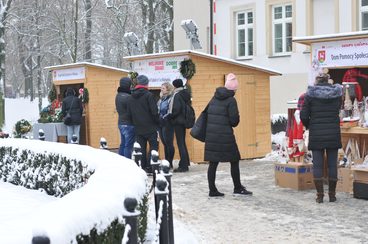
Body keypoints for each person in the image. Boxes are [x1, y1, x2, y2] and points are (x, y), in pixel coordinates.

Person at [204, 73, 252, 197]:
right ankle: (237, 187)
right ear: (233, 89)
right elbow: (234, 121)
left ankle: (212, 190)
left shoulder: (214, 98)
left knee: (213, 163)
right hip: (225, 136)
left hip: (212, 136)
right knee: (234, 161)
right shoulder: (231, 100)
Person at [300, 73, 343, 203]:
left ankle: (319, 196)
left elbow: (303, 115)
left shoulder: (310, 95)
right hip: (333, 133)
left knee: (318, 165)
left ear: (317, 81)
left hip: (317, 133)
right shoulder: (337, 94)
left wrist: (309, 125)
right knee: (332, 165)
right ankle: (332, 195)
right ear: (328, 81)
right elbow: (338, 111)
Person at [127, 75, 159, 173]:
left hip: (138, 127)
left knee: (141, 149)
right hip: (151, 126)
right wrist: (158, 122)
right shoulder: (149, 95)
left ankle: (143, 167)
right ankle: (151, 167)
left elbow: (129, 113)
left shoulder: (131, 96)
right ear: (146, 83)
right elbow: (154, 112)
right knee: (153, 147)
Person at [168, 79, 191, 172]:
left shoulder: (177, 95)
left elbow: (176, 109)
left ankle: (184, 166)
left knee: (180, 143)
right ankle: (185, 162)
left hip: (178, 121)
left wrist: (170, 116)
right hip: (184, 120)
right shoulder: (185, 93)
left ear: (175, 86)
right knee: (182, 143)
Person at [115, 77, 135, 158]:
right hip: (129, 123)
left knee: (123, 144)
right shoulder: (128, 97)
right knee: (128, 145)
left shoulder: (118, 95)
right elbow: (132, 110)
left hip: (120, 122)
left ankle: (121, 161)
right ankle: (128, 162)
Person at [157, 82, 175, 168]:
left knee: (169, 143)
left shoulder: (171, 98)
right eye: (161, 88)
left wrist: (164, 117)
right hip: (160, 123)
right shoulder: (161, 99)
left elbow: (170, 110)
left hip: (168, 123)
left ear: (168, 89)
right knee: (164, 143)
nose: (161, 90)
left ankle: (170, 162)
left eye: (163, 88)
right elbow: (158, 109)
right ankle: (166, 162)